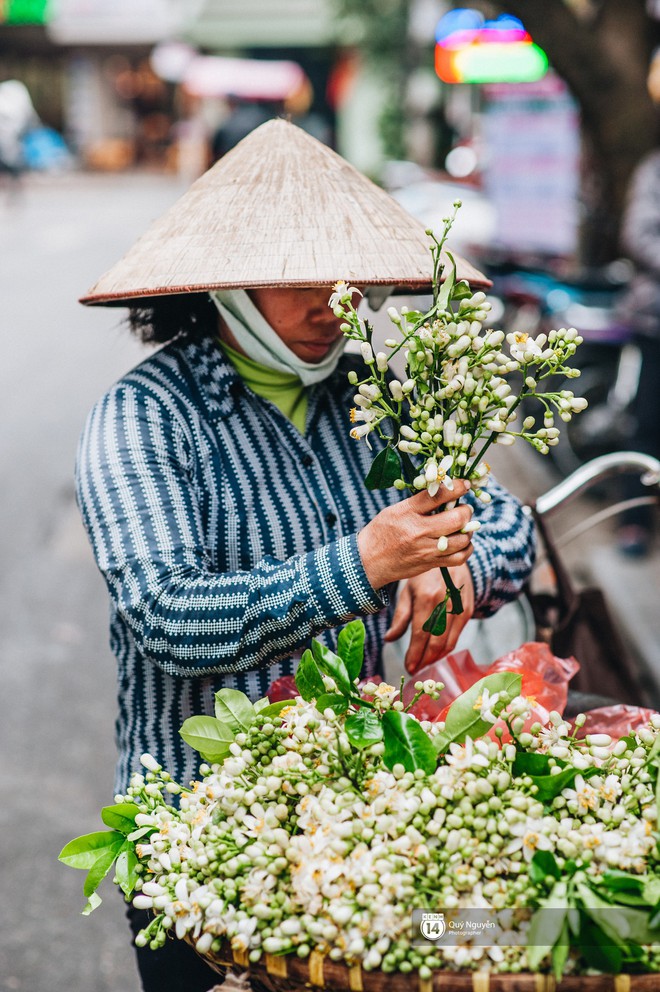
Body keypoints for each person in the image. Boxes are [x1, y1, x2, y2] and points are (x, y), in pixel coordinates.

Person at [75, 120, 535, 991]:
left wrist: (454, 562)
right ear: (226, 287)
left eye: (351, 278)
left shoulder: (380, 396)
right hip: (205, 843)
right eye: (301, 281)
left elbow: (513, 523)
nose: (336, 302)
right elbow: (167, 616)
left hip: (364, 833)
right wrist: (363, 562)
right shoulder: (143, 418)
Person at [617, 141, 660, 557]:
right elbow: (639, 234)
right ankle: (634, 520)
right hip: (655, 322)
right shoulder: (654, 167)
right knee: (647, 425)